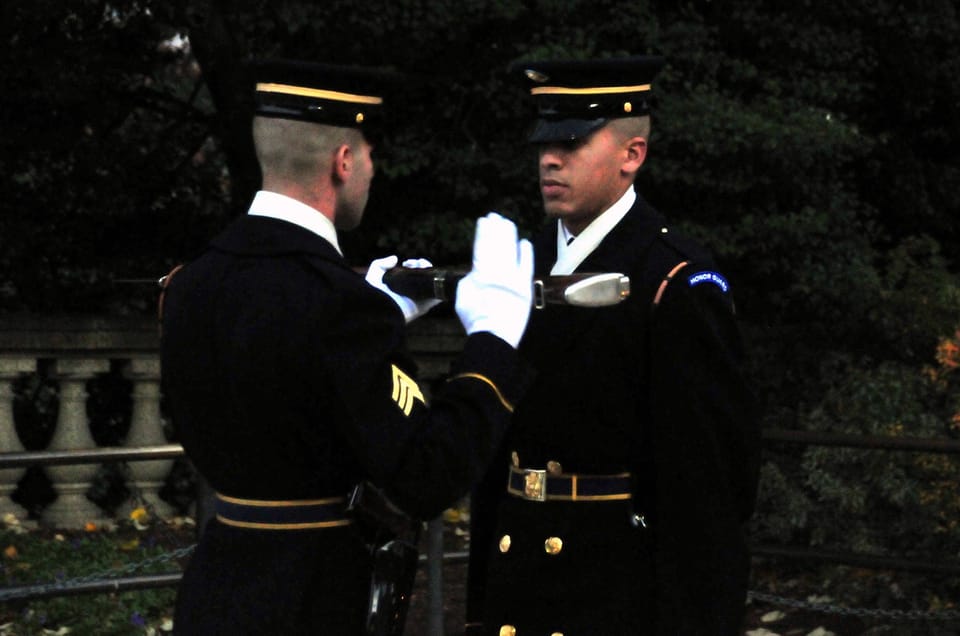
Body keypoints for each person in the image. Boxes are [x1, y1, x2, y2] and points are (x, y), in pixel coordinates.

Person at [160, 58, 535, 635]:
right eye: (368, 154)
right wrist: (492, 339)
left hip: (214, 589)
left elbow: (281, 367)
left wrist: (378, 315)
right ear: (342, 161)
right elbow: (426, 475)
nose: (371, 170)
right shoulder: (338, 306)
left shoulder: (191, 284)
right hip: (311, 600)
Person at [465, 56, 762, 635]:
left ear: (633, 155)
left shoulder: (673, 280)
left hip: (615, 596)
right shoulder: (518, 264)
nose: (550, 159)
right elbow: (496, 460)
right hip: (517, 582)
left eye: (572, 143)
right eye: (545, 143)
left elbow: (708, 490)